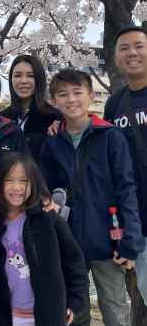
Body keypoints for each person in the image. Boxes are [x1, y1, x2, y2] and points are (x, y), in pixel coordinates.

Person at [40, 69, 145, 326]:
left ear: (90, 95)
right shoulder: (52, 144)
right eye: (63, 94)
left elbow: (126, 189)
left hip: (108, 240)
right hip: (68, 241)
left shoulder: (110, 136)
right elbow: (44, 189)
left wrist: (131, 239)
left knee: (115, 309)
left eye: (78, 92)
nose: (71, 99)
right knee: (73, 311)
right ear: (53, 100)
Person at [0, 153, 89, 326]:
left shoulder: (47, 218)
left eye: (23, 181)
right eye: (9, 180)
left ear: (33, 183)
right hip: (8, 315)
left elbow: (75, 263)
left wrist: (74, 302)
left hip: (45, 314)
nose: (16, 187)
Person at [104, 26, 147, 313]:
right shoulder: (115, 103)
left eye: (139, 46)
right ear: (117, 57)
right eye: (124, 48)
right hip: (139, 219)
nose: (132, 53)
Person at [0, 55, 61, 165]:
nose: (23, 81)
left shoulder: (55, 118)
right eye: (17, 75)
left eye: (30, 76)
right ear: (11, 80)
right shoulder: (1, 119)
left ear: (39, 79)